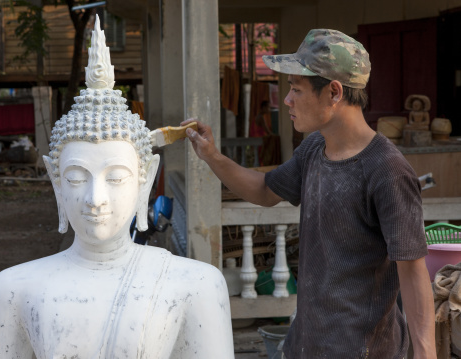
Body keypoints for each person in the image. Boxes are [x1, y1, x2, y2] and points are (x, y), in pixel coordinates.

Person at [0, 16, 234, 359]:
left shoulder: (196, 285)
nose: (95, 199)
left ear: (145, 180)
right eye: (76, 178)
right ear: (57, 182)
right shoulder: (12, 291)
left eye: (115, 178)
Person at [183, 29, 435, 358]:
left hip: (365, 350)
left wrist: (425, 353)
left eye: (296, 89)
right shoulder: (315, 147)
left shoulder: (387, 171)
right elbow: (264, 190)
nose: (286, 100)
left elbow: (413, 273)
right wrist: (212, 156)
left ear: (333, 92)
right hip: (307, 343)